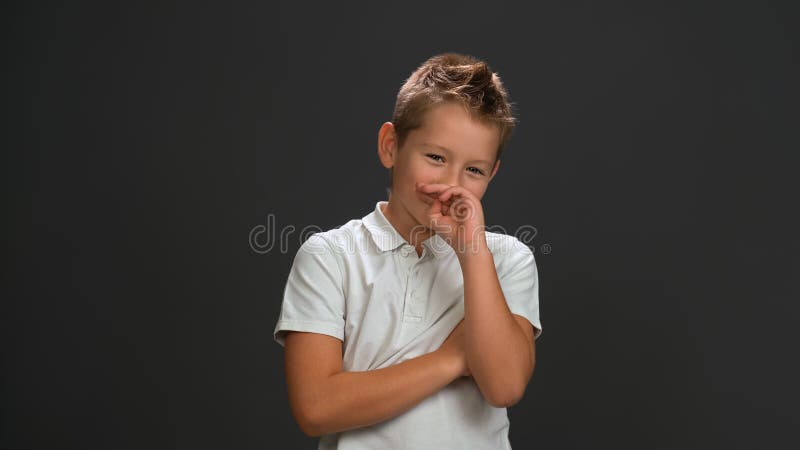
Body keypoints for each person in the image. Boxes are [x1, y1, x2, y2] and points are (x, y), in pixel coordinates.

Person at [273, 52, 543, 449]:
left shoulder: (507, 260)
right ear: (390, 147)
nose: (451, 184)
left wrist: (472, 253)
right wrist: (452, 358)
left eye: (474, 170)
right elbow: (316, 409)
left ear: (493, 173)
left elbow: (503, 386)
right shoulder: (330, 256)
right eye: (435, 157)